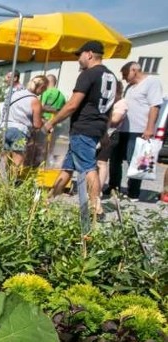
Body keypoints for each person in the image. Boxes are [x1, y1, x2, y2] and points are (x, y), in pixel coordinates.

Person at [44, 41, 118, 219]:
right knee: (68, 168)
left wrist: (51, 122)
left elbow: (72, 105)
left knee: (88, 167)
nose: (79, 59)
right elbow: (109, 107)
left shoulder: (88, 74)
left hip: (83, 127)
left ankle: (96, 208)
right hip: (97, 126)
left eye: (80, 55)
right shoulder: (111, 77)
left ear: (90, 54)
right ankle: (49, 200)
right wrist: (104, 131)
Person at [111, 61, 164, 200]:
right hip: (123, 129)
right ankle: (113, 187)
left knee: (135, 162)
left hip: (139, 130)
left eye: (125, 74)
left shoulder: (152, 82)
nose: (123, 77)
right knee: (115, 159)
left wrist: (149, 128)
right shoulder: (130, 86)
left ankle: (133, 192)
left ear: (134, 70)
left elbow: (155, 106)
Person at [3, 75, 48, 176]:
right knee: (16, 164)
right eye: (43, 89)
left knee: (3, 163)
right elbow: (37, 124)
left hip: (4, 128)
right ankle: (10, 188)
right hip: (19, 133)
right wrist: (44, 123)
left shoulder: (15, 94)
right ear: (41, 87)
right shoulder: (34, 100)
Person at [97, 82, 127, 196]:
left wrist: (102, 116)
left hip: (111, 134)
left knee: (102, 162)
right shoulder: (110, 102)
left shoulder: (121, 103)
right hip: (102, 133)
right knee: (95, 162)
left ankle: (98, 189)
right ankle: (93, 186)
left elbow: (115, 120)